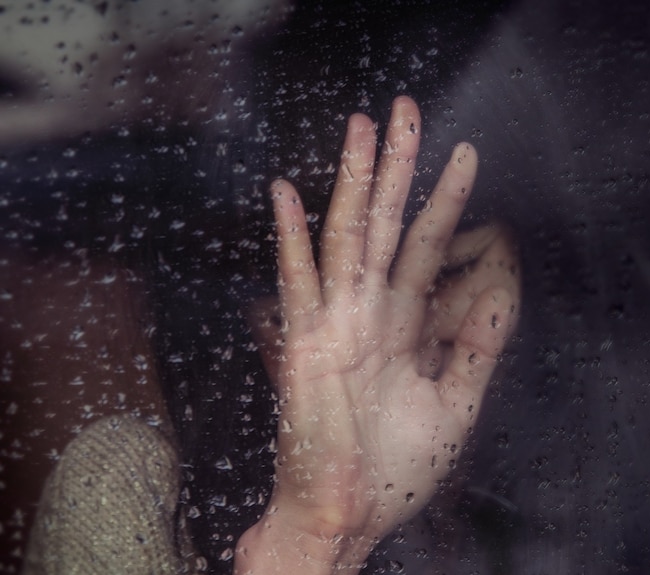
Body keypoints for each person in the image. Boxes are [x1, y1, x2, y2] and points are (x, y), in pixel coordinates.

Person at [22, 96, 521, 574]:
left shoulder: (557, 485)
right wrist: (315, 541)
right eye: (291, 316)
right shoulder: (130, 493)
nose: (399, 333)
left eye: (455, 271)